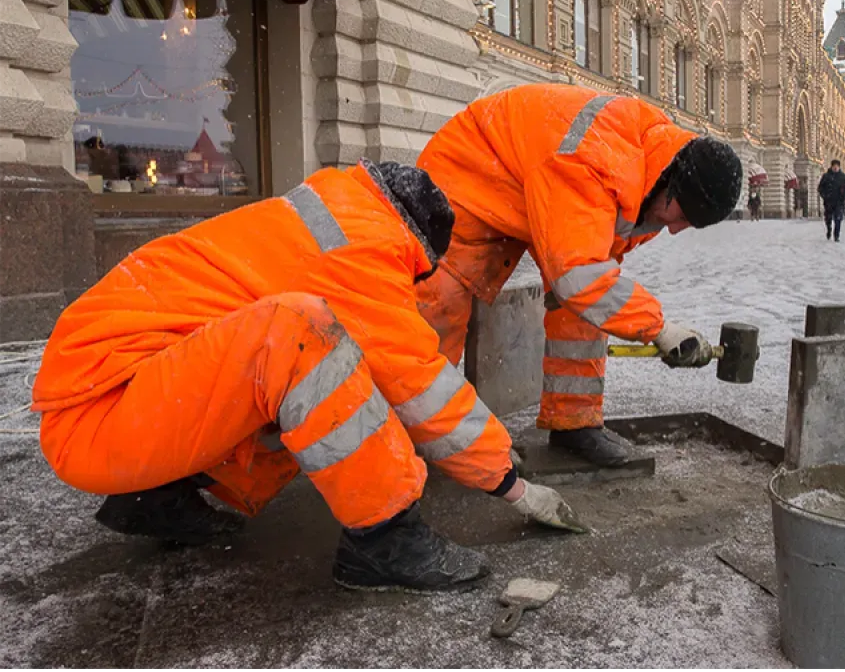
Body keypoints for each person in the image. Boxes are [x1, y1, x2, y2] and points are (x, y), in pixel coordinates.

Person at [32, 160, 581, 592]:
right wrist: (508, 482)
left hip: (109, 402)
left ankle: (157, 494)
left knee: (305, 374)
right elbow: (418, 382)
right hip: (103, 417)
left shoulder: (329, 215)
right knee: (306, 341)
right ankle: (385, 539)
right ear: (418, 248)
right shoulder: (364, 251)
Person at [414, 84, 742, 468]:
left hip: (534, 180)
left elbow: (591, 279)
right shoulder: (597, 163)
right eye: (682, 217)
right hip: (470, 176)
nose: (674, 231)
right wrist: (660, 329)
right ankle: (408, 448)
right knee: (437, 310)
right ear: (672, 188)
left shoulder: (652, 172)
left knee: (585, 308)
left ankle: (575, 422)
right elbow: (578, 275)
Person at [818, 159, 845, 242]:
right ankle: (829, 229)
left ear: (839, 167)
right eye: (834, 166)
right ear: (831, 166)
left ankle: (836, 235)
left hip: (839, 202)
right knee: (828, 218)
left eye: (837, 166)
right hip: (828, 201)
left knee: (838, 219)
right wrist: (825, 196)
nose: (835, 168)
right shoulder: (826, 176)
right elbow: (820, 188)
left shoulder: (843, 177)